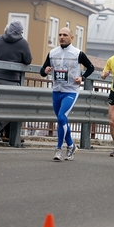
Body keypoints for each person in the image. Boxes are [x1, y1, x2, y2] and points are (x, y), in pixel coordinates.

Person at [40, 27, 95, 161]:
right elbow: (42, 71)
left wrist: (82, 77)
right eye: (60, 35)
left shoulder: (77, 53)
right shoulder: (52, 53)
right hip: (57, 90)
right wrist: (45, 71)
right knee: (61, 120)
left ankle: (59, 149)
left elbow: (91, 67)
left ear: (71, 37)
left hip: (71, 90)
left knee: (61, 116)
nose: (61, 37)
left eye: (65, 35)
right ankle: (71, 145)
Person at [0, 21, 32, 144]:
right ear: (20, 32)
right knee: (14, 108)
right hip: (12, 80)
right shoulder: (23, 43)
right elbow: (28, 60)